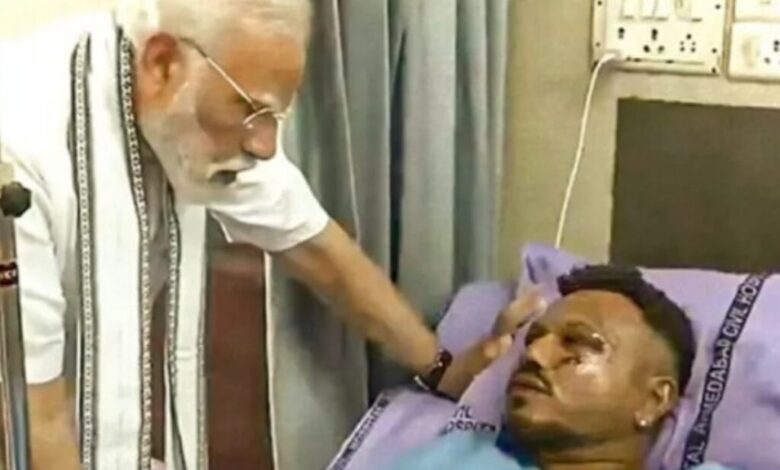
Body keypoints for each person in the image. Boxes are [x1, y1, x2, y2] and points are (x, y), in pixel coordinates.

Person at [0, 1, 504, 469]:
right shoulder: (20, 148)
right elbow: (33, 415)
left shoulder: (198, 115)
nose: (264, 147)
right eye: (250, 110)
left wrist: (441, 367)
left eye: (274, 118)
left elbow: (320, 252)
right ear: (162, 64)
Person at [385, 266, 732, 470]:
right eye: (533, 339)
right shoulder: (455, 458)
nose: (534, 354)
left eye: (579, 342)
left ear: (653, 400)